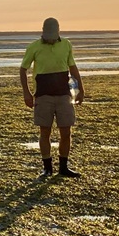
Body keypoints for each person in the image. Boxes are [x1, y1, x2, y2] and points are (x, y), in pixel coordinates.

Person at [19, 17, 84, 177]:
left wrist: (81, 89)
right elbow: (23, 69)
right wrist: (27, 93)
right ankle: (47, 168)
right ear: (42, 31)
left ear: (58, 32)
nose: (50, 38)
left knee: (66, 132)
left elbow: (73, 67)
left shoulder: (66, 44)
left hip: (64, 95)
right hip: (42, 96)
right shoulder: (34, 47)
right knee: (45, 132)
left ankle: (63, 167)